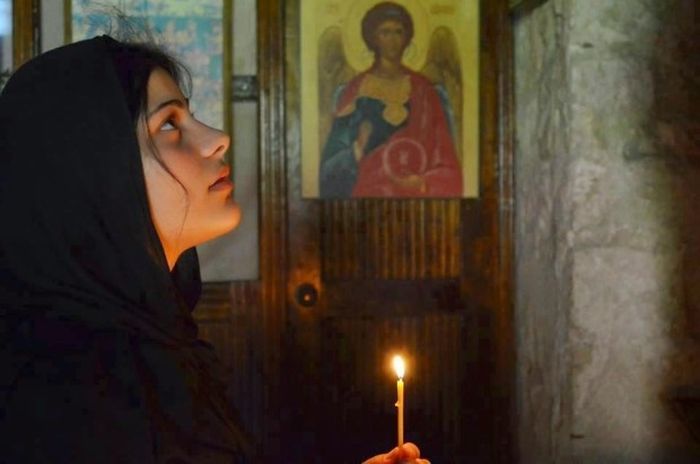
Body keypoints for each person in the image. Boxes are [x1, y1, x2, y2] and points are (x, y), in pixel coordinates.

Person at [0, 35, 429, 463]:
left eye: (189, 115)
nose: (218, 138)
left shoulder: (156, 341)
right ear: (94, 175)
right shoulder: (67, 400)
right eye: (169, 125)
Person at [319, 1, 463, 198]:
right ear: (373, 38)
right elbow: (329, 169)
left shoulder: (424, 90)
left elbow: (446, 160)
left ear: (407, 38)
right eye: (384, 32)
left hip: (415, 197)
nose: (392, 40)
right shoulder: (356, 89)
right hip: (367, 195)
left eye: (398, 32)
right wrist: (357, 149)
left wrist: (422, 182)